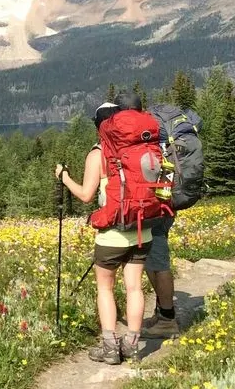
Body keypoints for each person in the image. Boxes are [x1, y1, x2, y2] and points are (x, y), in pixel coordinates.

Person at [55, 97, 148, 364]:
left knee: (105, 289)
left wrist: (64, 177)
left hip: (112, 233)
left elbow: (85, 195)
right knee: (134, 288)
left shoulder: (98, 153)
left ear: (99, 126)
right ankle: (132, 345)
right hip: (142, 230)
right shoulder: (140, 147)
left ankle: (109, 347)